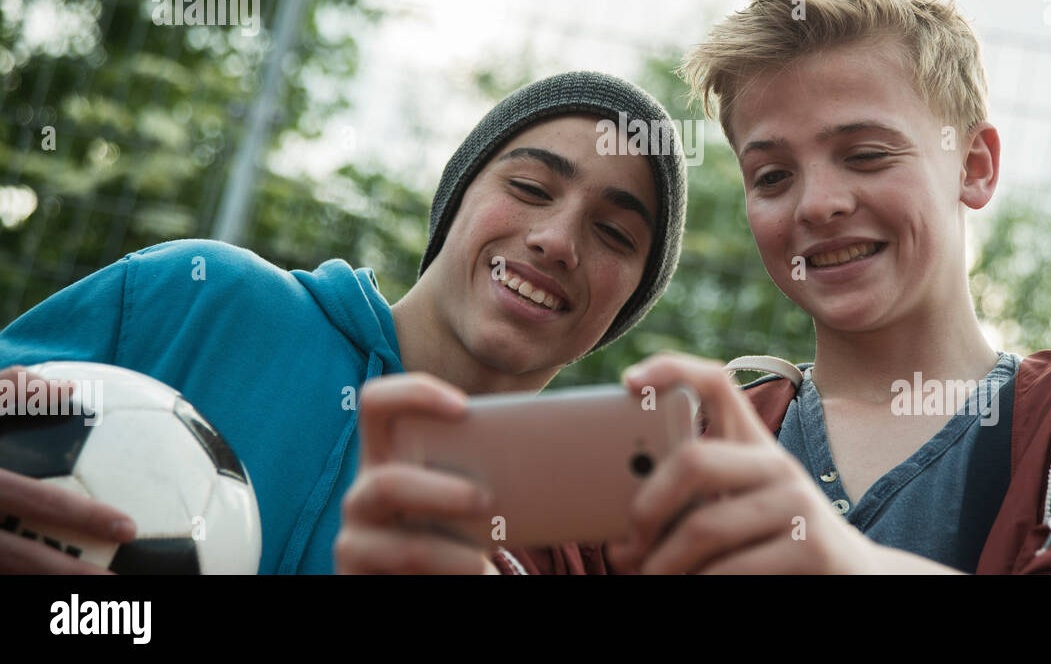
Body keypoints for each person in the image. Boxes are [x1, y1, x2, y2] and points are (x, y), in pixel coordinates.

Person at [492, 0, 1051, 574]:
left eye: (866, 154)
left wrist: (841, 560)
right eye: (773, 174)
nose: (818, 203)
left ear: (975, 165)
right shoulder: (681, 439)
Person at [0, 71, 687, 574]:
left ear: (626, 303)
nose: (559, 239)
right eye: (531, 188)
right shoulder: (200, 298)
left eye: (615, 234)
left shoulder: (551, 541)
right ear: (457, 199)